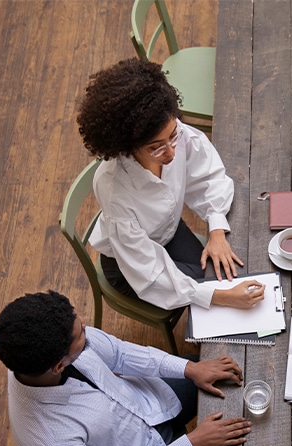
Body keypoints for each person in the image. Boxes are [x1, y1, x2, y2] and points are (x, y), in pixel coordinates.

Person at [0, 291, 252, 446]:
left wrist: (188, 368)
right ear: (60, 365)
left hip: (148, 403)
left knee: (231, 371)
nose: (86, 329)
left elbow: (119, 353)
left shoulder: (49, 341)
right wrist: (192, 443)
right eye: (81, 336)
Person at [76, 58, 264, 311]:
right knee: (212, 288)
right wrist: (223, 297)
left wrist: (216, 229)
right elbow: (149, 274)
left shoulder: (166, 128)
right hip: (131, 265)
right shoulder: (115, 191)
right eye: (156, 147)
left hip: (169, 230)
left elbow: (207, 173)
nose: (171, 152)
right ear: (127, 146)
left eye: (173, 135)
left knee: (216, 272)